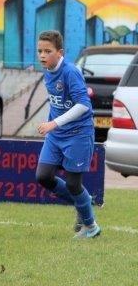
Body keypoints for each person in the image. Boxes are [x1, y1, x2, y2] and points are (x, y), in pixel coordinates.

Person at [35, 30, 101, 239]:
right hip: (57, 135)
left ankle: (91, 227)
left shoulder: (70, 72)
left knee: (73, 184)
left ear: (60, 52)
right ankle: (84, 203)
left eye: (47, 51)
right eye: (39, 51)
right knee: (43, 176)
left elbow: (83, 105)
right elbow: (58, 103)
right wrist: (52, 124)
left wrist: (53, 123)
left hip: (78, 133)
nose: (42, 55)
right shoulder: (48, 71)